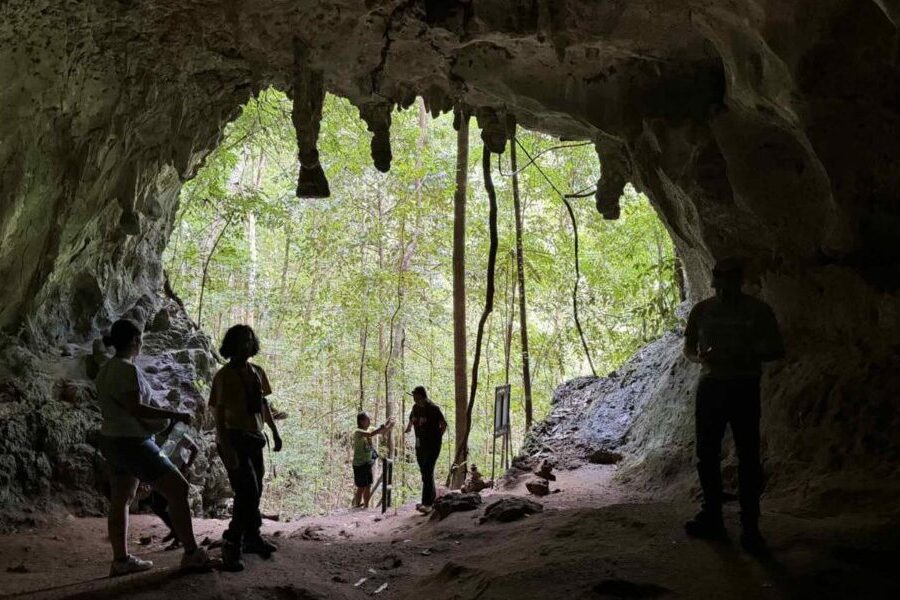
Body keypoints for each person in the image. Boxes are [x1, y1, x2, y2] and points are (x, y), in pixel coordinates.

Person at [683, 258, 784, 553]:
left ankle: (750, 526)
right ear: (714, 281)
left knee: (748, 455)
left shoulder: (758, 311)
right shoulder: (702, 311)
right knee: (706, 453)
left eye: (730, 281)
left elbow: (777, 349)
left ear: (739, 281)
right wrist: (700, 358)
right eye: (720, 280)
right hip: (711, 385)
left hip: (743, 385)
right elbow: (688, 348)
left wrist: (744, 351)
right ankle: (713, 516)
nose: (724, 287)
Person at [95, 319, 210, 576]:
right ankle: (192, 554)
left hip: (111, 440)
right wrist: (174, 414)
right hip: (133, 441)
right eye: (140, 338)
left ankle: (121, 560)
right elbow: (135, 408)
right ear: (136, 340)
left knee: (121, 499)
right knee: (178, 489)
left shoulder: (105, 370)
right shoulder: (127, 369)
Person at [210, 324, 283, 572]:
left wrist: (274, 431)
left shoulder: (257, 372)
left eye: (250, 340)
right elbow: (218, 416)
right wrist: (226, 447)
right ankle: (232, 541)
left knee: (256, 488)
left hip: (254, 437)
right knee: (247, 490)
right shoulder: (223, 376)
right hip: (234, 438)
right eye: (242, 340)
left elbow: (263, 405)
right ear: (231, 345)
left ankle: (252, 537)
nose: (247, 345)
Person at [404, 386, 447, 514]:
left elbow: (443, 424)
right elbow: (412, 419)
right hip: (420, 445)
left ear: (422, 396)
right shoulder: (415, 408)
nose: (414, 398)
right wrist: (409, 428)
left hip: (432, 446)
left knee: (428, 469)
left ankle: (427, 503)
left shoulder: (433, 409)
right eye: (413, 396)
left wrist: (438, 437)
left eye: (416, 396)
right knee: (425, 473)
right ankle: (431, 500)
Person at [351, 412, 394, 508]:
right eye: (367, 419)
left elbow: (382, 431)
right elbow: (371, 434)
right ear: (361, 421)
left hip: (367, 463)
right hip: (359, 464)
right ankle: (357, 505)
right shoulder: (358, 432)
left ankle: (366, 506)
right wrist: (383, 426)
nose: (370, 421)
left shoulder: (370, 428)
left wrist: (389, 423)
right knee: (361, 487)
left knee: (368, 485)